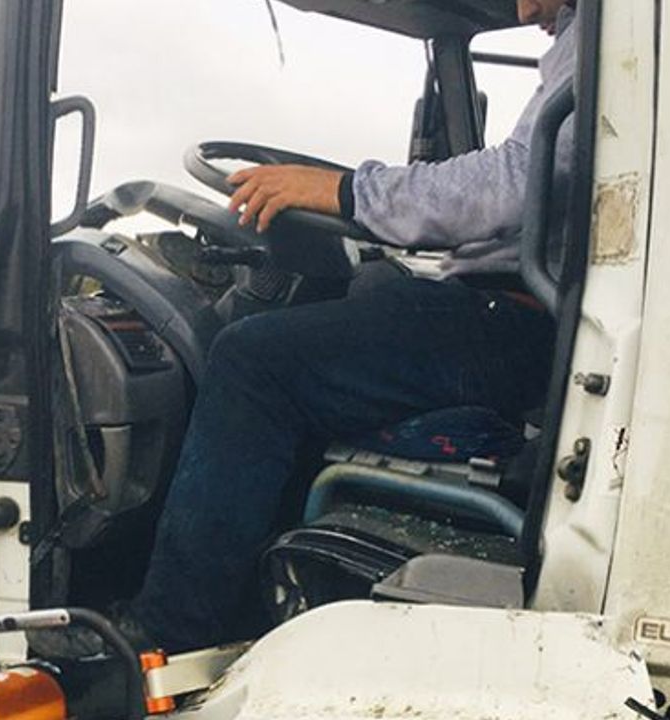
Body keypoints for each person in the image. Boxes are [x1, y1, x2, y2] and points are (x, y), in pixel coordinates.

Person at [108, 0, 581, 653]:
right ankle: (261, 600)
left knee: (251, 361)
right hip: (519, 313)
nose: (525, 12)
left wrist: (344, 191)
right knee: (364, 299)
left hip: (516, 319)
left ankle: (168, 632)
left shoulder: (604, 38)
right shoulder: (593, 43)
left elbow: (509, 184)